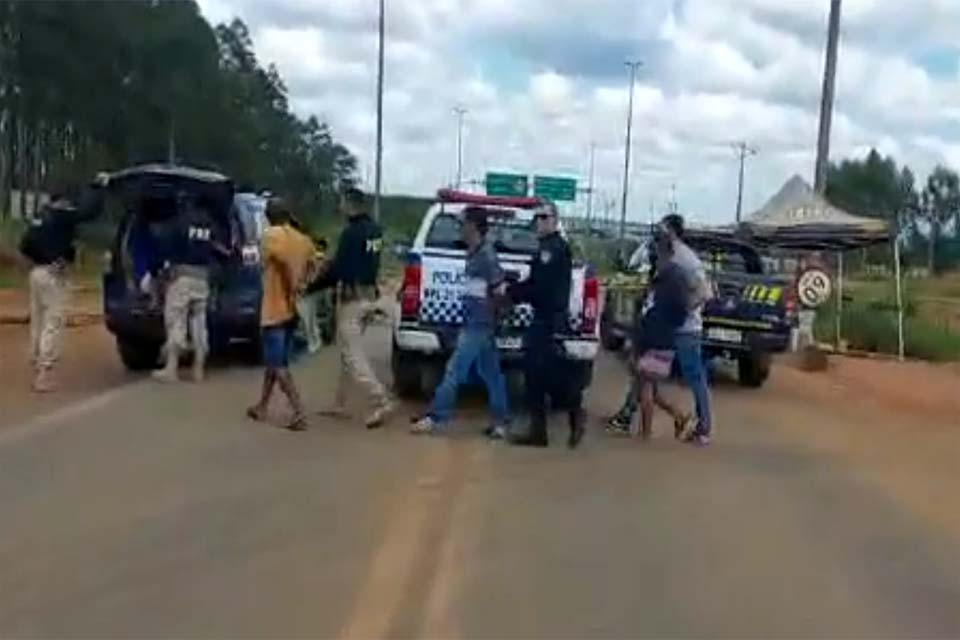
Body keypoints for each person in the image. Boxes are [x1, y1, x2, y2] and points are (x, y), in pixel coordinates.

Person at [410, 207, 511, 437]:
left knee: (454, 370)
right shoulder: (474, 252)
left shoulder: (486, 255)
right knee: (492, 374)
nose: (459, 228)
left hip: (480, 324)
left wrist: (492, 319)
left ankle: (436, 417)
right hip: (475, 322)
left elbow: (499, 290)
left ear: (473, 226)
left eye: (463, 223)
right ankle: (501, 422)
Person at [19, 174, 109, 392]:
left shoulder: (40, 217)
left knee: (38, 321)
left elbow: (24, 246)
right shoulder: (62, 215)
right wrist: (98, 187)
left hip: (35, 274)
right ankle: (43, 374)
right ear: (64, 200)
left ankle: (36, 361)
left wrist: (43, 258)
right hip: (52, 276)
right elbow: (88, 212)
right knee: (53, 323)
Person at [508, 201, 586, 449]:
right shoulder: (546, 247)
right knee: (538, 376)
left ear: (554, 220)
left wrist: (513, 292)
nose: (539, 222)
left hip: (550, 320)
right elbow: (535, 282)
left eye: (544, 217)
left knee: (546, 375)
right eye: (537, 218)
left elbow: (540, 288)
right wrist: (515, 289)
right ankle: (541, 431)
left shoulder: (553, 249)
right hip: (545, 318)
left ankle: (572, 415)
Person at [314, 187, 394, 429]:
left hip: (353, 299)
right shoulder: (376, 231)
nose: (340, 208)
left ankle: (379, 398)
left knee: (352, 353)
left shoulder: (351, 233)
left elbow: (338, 269)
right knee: (347, 351)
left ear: (351, 205)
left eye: (342, 203)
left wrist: (312, 287)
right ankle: (339, 403)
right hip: (370, 296)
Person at [609, 229, 692, 439]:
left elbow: (681, 309)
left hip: (658, 338)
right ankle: (678, 416)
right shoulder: (662, 275)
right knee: (646, 384)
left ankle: (646, 433)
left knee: (645, 386)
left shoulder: (673, 277)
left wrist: (663, 326)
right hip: (651, 336)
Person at [246, 199, 316, 431]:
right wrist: (301, 286)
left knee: (277, 364)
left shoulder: (271, 236)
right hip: (293, 309)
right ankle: (262, 406)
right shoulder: (303, 240)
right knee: (275, 361)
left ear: (268, 216)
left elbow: (280, 261)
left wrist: (289, 285)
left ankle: (299, 412)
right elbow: (314, 266)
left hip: (275, 307)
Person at [152, 199, 229, 383]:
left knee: (176, 321)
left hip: (182, 278)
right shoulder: (211, 225)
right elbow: (221, 250)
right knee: (199, 324)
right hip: (202, 279)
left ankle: (171, 369)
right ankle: (198, 369)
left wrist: (158, 272)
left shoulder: (179, 223)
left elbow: (165, 249)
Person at [660, 213, 714, 445]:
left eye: (662, 229)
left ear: (671, 230)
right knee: (646, 371)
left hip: (686, 329)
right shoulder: (670, 254)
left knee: (695, 377)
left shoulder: (686, 259)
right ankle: (627, 414)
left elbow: (704, 292)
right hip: (668, 325)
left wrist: (685, 309)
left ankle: (703, 428)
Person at [297, 235, 329, 354]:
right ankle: (314, 339)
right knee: (309, 316)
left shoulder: (316, 258)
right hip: (310, 290)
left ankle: (314, 341)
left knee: (308, 316)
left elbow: (316, 273)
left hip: (311, 290)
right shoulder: (311, 257)